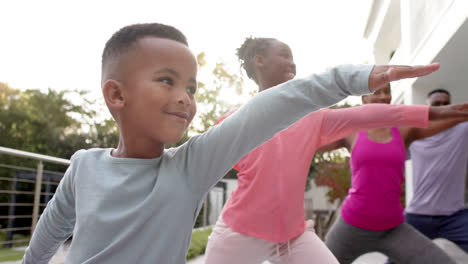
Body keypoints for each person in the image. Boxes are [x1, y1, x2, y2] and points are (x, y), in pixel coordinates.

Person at [19, 24, 430, 264]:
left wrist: (357, 78)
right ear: (116, 95)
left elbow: (276, 105)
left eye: (192, 87)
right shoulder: (84, 166)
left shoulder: (190, 167)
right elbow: (52, 228)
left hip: (286, 233)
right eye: (168, 80)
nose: (185, 96)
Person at [204, 37, 468, 264]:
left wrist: (438, 111)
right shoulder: (235, 121)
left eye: (293, 57)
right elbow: (209, 164)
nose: (292, 63)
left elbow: (367, 114)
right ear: (259, 61)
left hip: (293, 237)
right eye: (284, 55)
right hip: (239, 234)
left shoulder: (312, 118)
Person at [322, 85, 468, 263]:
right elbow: (310, 141)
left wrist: (459, 111)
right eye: (377, 92)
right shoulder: (351, 130)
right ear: (364, 99)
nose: (383, 97)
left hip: (392, 228)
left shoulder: (404, 130)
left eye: (387, 91)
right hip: (352, 226)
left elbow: (451, 116)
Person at [405, 89, 468, 252]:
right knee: (398, 257)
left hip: (455, 217)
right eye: (436, 105)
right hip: (417, 216)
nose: (441, 109)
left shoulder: (463, 130)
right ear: (427, 109)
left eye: (445, 104)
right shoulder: (414, 136)